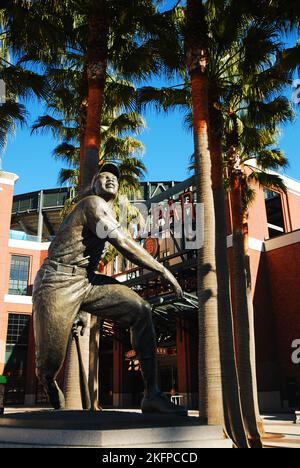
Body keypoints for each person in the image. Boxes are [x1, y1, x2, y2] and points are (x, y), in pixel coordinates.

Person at [33, 163, 186, 415]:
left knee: (141, 309)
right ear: (93, 184)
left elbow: (91, 259)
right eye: (104, 176)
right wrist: (162, 269)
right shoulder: (92, 203)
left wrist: (82, 306)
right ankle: (52, 393)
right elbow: (122, 242)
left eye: (114, 178)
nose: (110, 180)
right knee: (48, 366)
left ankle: (152, 395)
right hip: (56, 282)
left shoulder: (107, 210)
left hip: (85, 281)